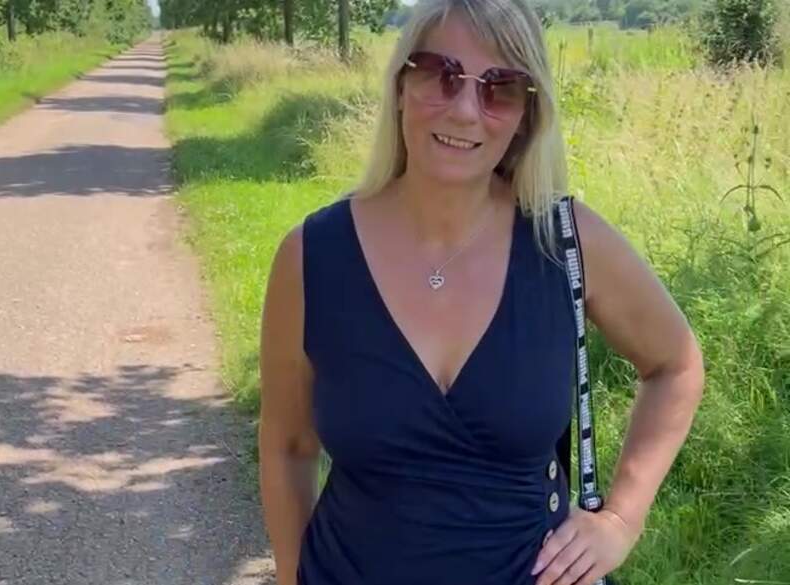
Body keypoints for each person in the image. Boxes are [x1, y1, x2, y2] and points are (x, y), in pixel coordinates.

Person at [258, 0, 705, 583]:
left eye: (501, 88)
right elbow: (287, 444)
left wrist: (620, 519)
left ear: (526, 115)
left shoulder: (565, 243)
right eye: (440, 74)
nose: (466, 110)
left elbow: (676, 364)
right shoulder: (313, 256)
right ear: (400, 86)